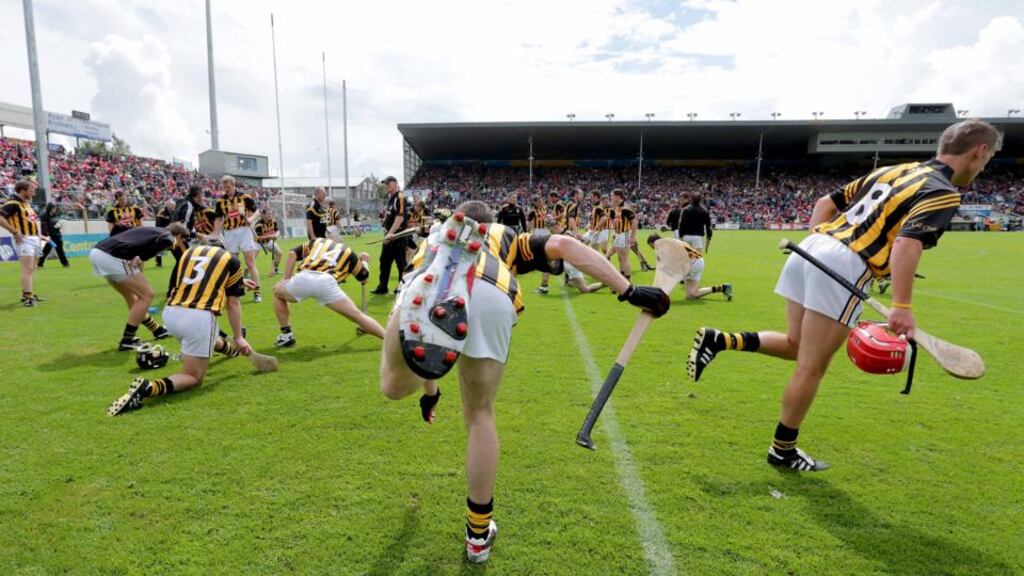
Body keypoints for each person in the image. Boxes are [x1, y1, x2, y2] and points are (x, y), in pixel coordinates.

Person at [686, 119, 1000, 471]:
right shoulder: (942, 189)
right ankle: (783, 451)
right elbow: (907, 244)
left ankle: (720, 340)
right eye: (987, 161)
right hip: (847, 263)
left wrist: (818, 248)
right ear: (979, 151)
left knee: (796, 344)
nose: (983, 168)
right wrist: (902, 306)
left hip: (813, 247)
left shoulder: (894, 170)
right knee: (811, 366)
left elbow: (826, 202)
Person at [378, 201, 670, 563]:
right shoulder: (507, 235)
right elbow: (564, 245)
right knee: (480, 415)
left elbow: (430, 346)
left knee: (392, 386)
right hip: (492, 289)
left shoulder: (435, 236)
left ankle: (441, 289)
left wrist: (430, 392)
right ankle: (478, 536)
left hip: (426, 281)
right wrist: (630, 291)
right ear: (491, 225)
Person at [107, 240, 254, 416]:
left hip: (171, 314)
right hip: (198, 317)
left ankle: (232, 351)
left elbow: (183, 284)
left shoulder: (188, 254)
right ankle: (147, 388)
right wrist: (238, 337)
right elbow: (233, 303)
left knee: (207, 340)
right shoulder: (231, 260)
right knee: (193, 376)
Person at [89, 224, 191, 350]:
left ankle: (157, 330)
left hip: (98, 252)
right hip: (111, 257)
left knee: (132, 298)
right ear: (179, 235)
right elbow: (168, 240)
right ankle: (128, 339)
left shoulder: (153, 231)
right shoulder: (168, 236)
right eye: (183, 240)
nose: (180, 244)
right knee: (147, 295)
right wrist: (142, 258)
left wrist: (140, 258)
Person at [272, 237, 383, 347]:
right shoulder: (349, 252)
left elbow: (292, 254)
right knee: (357, 316)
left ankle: (286, 336)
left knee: (277, 291)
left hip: (303, 278)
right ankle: (388, 337)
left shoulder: (317, 241)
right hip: (326, 283)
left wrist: (286, 280)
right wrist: (364, 261)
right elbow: (364, 279)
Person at [212, 175, 262, 303]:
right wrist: (215, 235)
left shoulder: (245, 197)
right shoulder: (220, 202)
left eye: (228, 186)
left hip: (244, 231)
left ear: (233, 185)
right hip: (229, 233)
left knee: (250, 263)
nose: (226, 189)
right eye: (224, 187)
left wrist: (250, 219)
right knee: (234, 265)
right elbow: (218, 219)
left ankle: (257, 292)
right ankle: (238, 291)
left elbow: (257, 212)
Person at [0, 180, 47, 306]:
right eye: (31, 190)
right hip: (24, 239)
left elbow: (30, 222)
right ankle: (28, 297)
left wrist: (39, 235)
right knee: (27, 268)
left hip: (34, 238)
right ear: (23, 190)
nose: (34, 192)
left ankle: (27, 293)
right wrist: (14, 231)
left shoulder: (26, 204)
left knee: (32, 268)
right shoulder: (13, 203)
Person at [646, 233, 731, 300]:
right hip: (698, 261)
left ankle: (660, 298)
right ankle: (723, 288)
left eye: (653, 247)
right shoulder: (669, 241)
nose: (654, 249)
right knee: (692, 294)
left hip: (692, 263)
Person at [371, 176, 408, 295]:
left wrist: (390, 233)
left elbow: (400, 217)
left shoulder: (400, 197)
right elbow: (390, 216)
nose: (386, 185)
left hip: (398, 237)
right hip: (389, 236)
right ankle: (383, 287)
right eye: (385, 184)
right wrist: (385, 225)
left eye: (388, 183)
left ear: (395, 184)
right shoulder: (391, 199)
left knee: (401, 264)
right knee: (384, 261)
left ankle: (401, 288)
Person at [607, 189, 638, 279]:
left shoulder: (625, 208)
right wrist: (615, 231)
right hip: (618, 235)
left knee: (624, 258)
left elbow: (634, 222)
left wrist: (632, 236)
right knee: (620, 258)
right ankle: (623, 277)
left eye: (612, 195)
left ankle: (627, 281)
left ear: (617, 196)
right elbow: (614, 221)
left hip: (624, 234)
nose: (611, 197)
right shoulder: (616, 208)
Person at [38, 193, 69, 268]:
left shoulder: (55, 215)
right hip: (50, 236)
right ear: (50, 208)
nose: (55, 209)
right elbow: (44, 227)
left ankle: (65, 264)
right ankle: (39, 264)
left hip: (57, 235)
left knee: (60, 250)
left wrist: (59, 226)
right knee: (45, 251)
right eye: (54, 208)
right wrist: (47, 236)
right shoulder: (44, 216)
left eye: (55, 208)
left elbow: (57, 223)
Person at [253, 210, 283, 276]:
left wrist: (276, 235)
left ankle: (275, 270)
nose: (270, 215)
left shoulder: (273, 221)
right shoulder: (259, 224)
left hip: (268, 241)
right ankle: (247, 273)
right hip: (258, 243)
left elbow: (277, 230)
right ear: (263, 215)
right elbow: (259, 237)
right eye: (268, 214)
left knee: (279, 253)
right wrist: (270, 236)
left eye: (270, 214)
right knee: (252, 257)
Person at [153, 199, 176, 267]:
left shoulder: (172, 212)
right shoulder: (161, 213)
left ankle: (178, 259)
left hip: (170, 233)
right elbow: (158, 225)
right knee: (160, 248)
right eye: (173, 206)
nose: (174, 208)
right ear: (168, 206)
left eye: (174, 206)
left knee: (173, 246)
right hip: (161, 233)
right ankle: (158, 263)